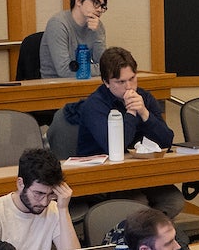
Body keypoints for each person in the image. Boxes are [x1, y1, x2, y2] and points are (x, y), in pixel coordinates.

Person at [69, 48, 182, 221]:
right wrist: (130, 113)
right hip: (103, 178)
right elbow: (115, 147)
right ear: (106, 82)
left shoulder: (144, 97)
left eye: (132, 79)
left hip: (139, 172)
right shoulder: (94, 105)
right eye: (120, 82)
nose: (129, 86)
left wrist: (144, 113)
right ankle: (142, 234)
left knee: (173, 201)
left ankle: (149, 233)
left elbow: (167, 140)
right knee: (138, 203)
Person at [39, 0, 110, 78]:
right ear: (79, 1)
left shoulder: (98, 26)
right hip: (55, 86)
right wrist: (101, 69)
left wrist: (97, 32)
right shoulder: (58, 24)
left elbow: (105, 65)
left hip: (85, 82)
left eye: (102, 6)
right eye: (96, 3)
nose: (99, 9)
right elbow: (64, 70)